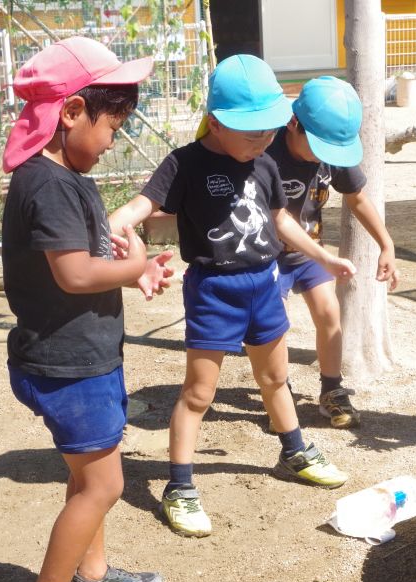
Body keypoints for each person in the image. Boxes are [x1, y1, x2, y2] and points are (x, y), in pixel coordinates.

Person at [109, 55, 357, 538]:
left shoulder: (263, 161)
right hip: (214, 292)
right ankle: (178, 486)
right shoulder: (184, 163)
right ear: (218, 122)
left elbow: (282, 219)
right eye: (253, 133)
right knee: (199, 394)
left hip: (264, 284)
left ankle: (294, 451)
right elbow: (138, 209)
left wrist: (322, 256)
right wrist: (119, 234)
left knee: (276, 378)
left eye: (269, 131)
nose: (264, 142)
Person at [0, 37, 174, 582]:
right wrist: (130, 270)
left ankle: (91, 578)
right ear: (71, 112)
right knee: (102, 485)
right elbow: (72, 275)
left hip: (85, 354)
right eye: (111, 126)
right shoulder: (46, 184)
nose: (112, 140)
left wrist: (139, 270)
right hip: (67, 363)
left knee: (88, 476)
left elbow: (86, 259)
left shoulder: (67, 176)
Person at [264, 76, 399, 429]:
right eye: (319, 147)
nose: (326, 157)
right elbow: (277, 220)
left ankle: (331, 390)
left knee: (329, 313)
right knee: (273, 327)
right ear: (294, 124)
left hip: (309, 251)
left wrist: (386, 243)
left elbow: (357, 198)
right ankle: (278, 390)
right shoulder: (265, 152)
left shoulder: (331, 148)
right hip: (265, 255)